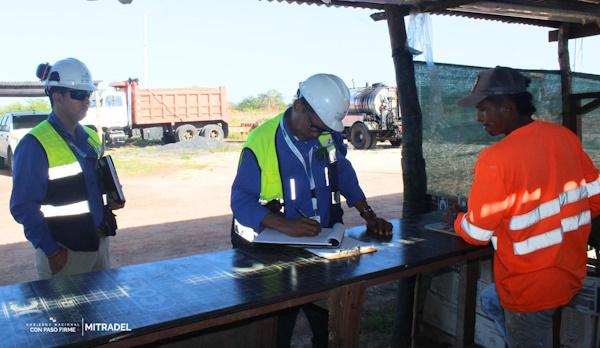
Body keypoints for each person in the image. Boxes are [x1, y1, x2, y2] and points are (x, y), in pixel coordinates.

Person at [230, 73, 393, 347]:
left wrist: (369, 214)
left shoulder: (325, 134)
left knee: (326, 325)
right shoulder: (261, 142)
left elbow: (342, 170)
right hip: (270, 251)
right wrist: (283, 224)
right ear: (299, 107)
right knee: (275, 331)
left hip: (321, 246)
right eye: (316, 127)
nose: (320, 134)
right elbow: (240, 201)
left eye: (325, 129)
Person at [453, 66, 600, 347]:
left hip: (528, 289)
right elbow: (594, 198)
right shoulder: (564, 138)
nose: (478, 118)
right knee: (491, 300)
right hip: (568, 273)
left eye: (483, 109)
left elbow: (477, 233)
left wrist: (457, 220)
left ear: (507, 107)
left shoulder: (496, 159)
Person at [10, 58, 120, 279]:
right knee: (66, 315)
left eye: (88, 94)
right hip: (66, 255)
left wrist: (112, 198)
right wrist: (52, 251)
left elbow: (92, 186)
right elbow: (22, 206)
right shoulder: (34, 144)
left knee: (102, 312)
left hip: (99, 245)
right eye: (78, 94)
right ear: (57, 96)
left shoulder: (90, 136)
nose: (86, 100)